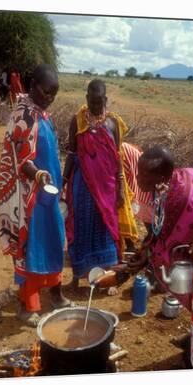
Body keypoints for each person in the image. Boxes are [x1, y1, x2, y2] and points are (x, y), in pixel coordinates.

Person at [0, 64, 70, 326]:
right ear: (32, 85)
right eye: (46, 91)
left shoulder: (41, 114)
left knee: (54, 241)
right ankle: (27, 306)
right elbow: (20, 159)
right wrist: (38, 175)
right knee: (32, 248)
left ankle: (57, 295)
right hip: (29, 198)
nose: (50, 97)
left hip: (47, 195)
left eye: (54, 94)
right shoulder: (23, 116)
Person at [63, 79, 138, 287]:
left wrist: (121, 188)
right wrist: (63, 180)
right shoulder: (77, 121)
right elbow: (71, 153)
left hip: (107, 188)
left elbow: (118, 159)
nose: (97, 106)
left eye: (100, 102)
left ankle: (108, 277)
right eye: (92, 102)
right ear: (86, 99)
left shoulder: (113, 124)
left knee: (106, 228)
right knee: (80, 227)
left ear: (105, 100)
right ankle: (77, 276)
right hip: (82, 185)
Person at [126, 145, 193, 311]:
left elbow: (169, 239)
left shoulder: (185, 200)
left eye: (143, 175)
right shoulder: (162, 187)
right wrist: (145, 251)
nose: (137, 177)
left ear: (159, 177)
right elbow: (159, 229)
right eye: (138, 171)